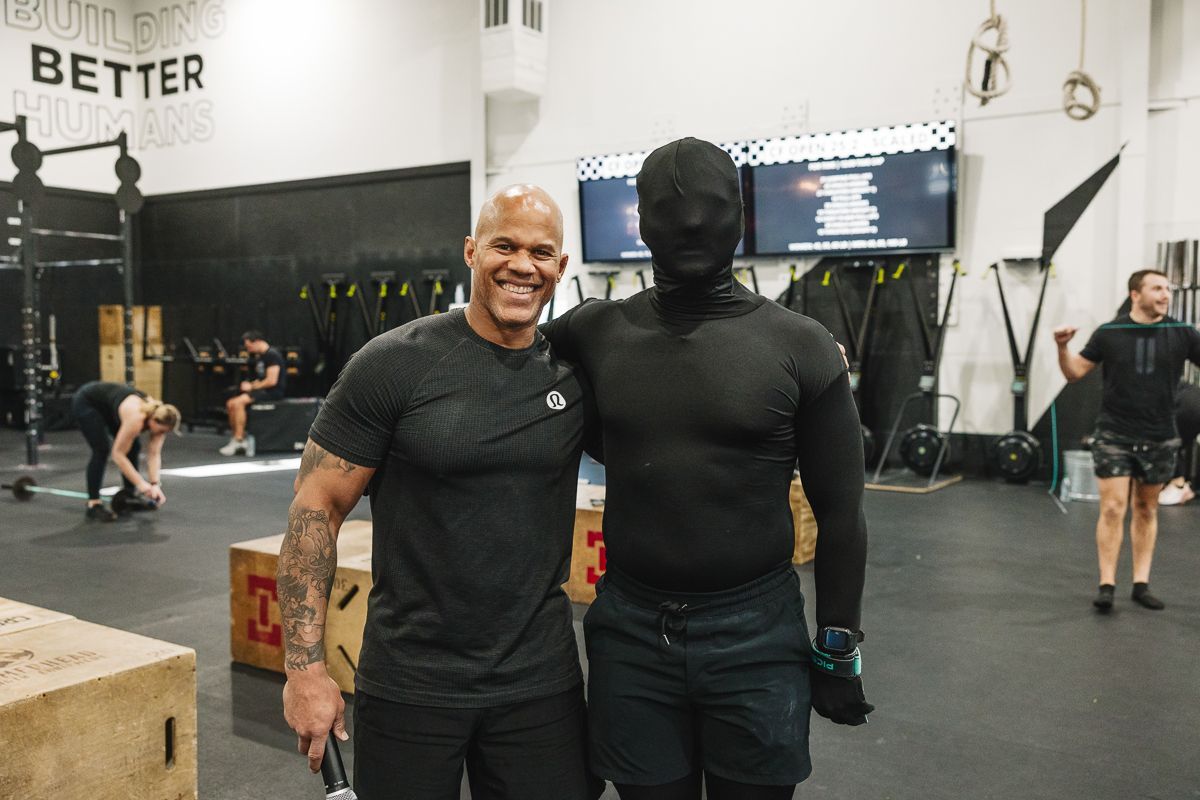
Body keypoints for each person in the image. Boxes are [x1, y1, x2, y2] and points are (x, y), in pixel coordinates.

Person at [540, 138, 871, 799]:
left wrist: (837, 649)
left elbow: (841, 514)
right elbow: (494, 355)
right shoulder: (593, 332)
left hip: (756, 635)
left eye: (711, 208)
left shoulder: (800, 347)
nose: (691, 224)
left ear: (740, 217)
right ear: (641, 220)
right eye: (669, 208)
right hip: (631, 633)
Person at [277, 185, 600, 800]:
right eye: (504, 246)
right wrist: (304, 669)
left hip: (540, 680)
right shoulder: (393, 364)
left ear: (560, 267)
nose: (522, 265)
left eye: (541, 252)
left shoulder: (575, 371)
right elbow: (316, 507)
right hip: (412, 681)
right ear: (472, 251)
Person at [1054, 269, 1200, 610]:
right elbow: (1074, 372)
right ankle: (1106, 584)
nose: (1165, 295)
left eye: (1168, 289)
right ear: (1135, 294)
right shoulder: (1110, 332)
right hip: (1114, 433)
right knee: (1113, 507)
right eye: (1157, 288)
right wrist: (1062, 347)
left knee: (1146, 508)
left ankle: (1140, 584)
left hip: (1160, 434)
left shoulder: (1182, 333)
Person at [71, 380, 179, 522]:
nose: (161, 434)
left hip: (110, 408)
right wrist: (141, 484)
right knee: (101, 449)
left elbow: (154, 454)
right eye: (161, 431)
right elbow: (118, 454)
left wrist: (154, 484)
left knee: (134, 447)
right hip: (88, 402)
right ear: (154, 420)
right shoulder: (137, 418)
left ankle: (129, 495)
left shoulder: (159, 422)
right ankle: (94, 504)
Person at [219, 330, 286, 457]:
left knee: (238, 403)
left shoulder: (272, 355)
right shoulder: (261, 356)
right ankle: (238, 437)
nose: (248, 349)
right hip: (263, 390)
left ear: (257, 342)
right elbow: (262, 379)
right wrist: (253, 384)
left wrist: (252, 386)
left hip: (273, 392)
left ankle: (239, 440)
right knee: (230, 403)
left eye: (249, 346)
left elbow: (272, 381)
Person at [1158, 381, 1200, 505]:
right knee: (1175, 442)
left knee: (1168, 442)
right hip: (1192, 399)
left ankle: (1178, 485)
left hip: (1188, 404)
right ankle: (1178, 484)